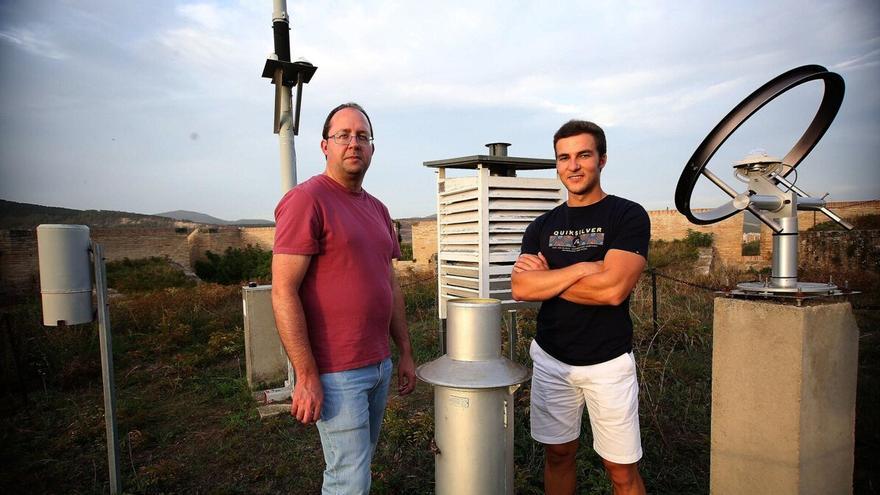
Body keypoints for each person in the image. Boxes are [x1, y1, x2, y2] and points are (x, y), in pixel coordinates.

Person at [271, 102, 416, 494]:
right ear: (325, 146)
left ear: (372, 148)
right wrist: (305, 374)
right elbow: (283, 290)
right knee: (348, 477)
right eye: (344, 135)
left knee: (358, 467)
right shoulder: (307, 200)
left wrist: (403, 351)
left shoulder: (379, 210)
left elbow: (389, 285)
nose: (354, 143)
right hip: (336, 370)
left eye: (362, 136)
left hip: (378, 365)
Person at [511, 120, 650, 495]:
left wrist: (550, 279)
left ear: (602, 160)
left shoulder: (627, 215)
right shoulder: (542, 225)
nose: (573, 166)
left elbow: (612, 290)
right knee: (557, 455)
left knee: (621, 470)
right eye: (564, 157)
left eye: (583, 155)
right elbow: (522, 287)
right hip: (552, 360)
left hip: (608, 363)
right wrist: (584, 268)